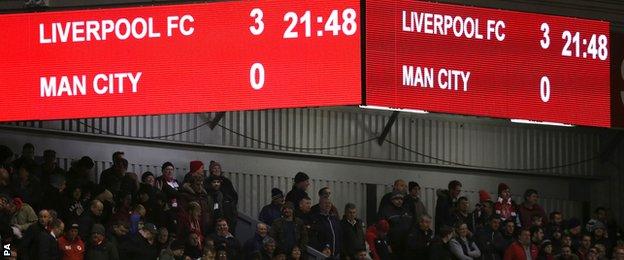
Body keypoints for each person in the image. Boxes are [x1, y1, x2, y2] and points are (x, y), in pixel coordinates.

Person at [379, 191, 412, 259]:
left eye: (401, 199)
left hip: (406, 244)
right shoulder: (386, 211)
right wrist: (387, 244)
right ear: (392, 200)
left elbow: (411, 225)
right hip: (393, 244)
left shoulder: (406, 210)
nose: (399, 201)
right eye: (396, 199)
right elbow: (382, 230)